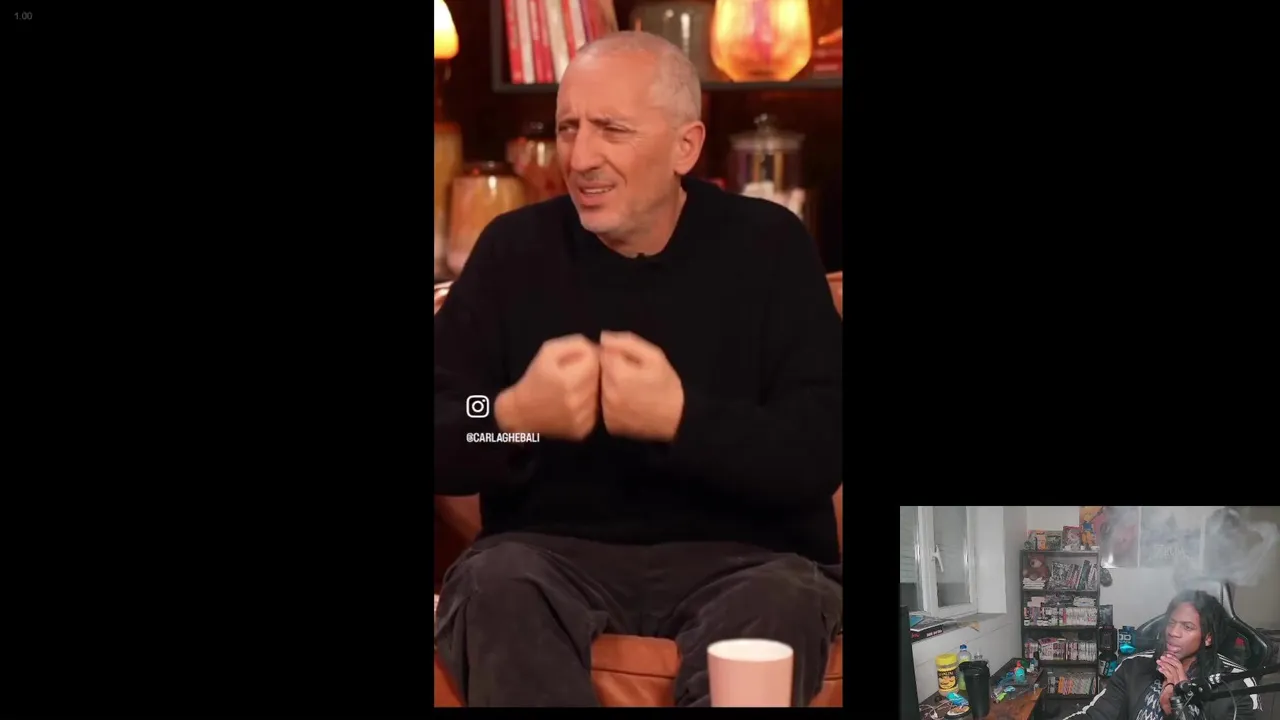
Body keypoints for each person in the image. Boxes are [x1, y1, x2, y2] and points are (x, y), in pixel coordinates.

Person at [432, 31, 843, 707]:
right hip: (547, 558)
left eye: (612, 130)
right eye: (569, 128)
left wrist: (681, 420)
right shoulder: (512, 251)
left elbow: (817, 446)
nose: (580, 158)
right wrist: (511, 419)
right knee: (493, 583)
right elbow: (449, 427)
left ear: (686, 146)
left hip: (750, 562)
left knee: (782, 598)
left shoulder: (771, 247)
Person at [1065, 590, 1259, 719]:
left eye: (1187, 627)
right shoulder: (1133, 667)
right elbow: (1094, 716)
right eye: (1171, 623)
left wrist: (1178, 708)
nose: (1173, 632)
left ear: (1208, 638)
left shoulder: (1237, 684)